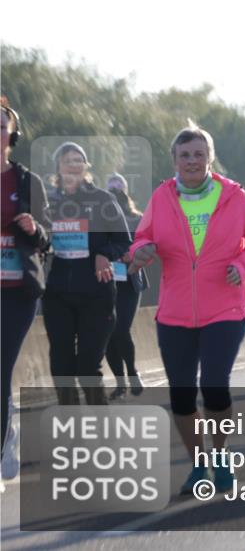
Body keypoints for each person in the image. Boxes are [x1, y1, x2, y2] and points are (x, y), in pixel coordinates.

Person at [129, 123, 245, 495]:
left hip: (226, 306)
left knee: (214, 384)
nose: (192, 160)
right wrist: (140, 252)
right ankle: (198, 464)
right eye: (184, 155)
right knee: (180, 393)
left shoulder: (233, 196)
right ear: (174, 160)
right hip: (174, 310)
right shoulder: (162, 197)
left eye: (198, 154)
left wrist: (241, 267)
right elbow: (142, 237)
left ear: (210, 158)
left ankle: (221, 456)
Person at [43, 142, 131, 406]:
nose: (74, 164)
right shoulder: (49, 202)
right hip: (58, 294)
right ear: (58, 167)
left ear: (85, 167)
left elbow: (125, 243)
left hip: (96, 295)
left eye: (79, 160)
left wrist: (104, 253)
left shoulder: (103, 200)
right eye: (68, 160)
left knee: (87, 368)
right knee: (61, 367)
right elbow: (37, 238)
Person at [1, 98, 50, 481]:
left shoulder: (26, 181)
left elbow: (47, 239)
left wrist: (34, 229)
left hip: (16, 291)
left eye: (2, 124)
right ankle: (8, 430)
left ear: (11, 135)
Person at [105, 173, 148, 399]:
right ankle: (120, 383)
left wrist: (131, 254)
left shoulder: (137, 219)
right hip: (105, 280)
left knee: (121, 329)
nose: (115, 196)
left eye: (118, 191)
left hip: (129, 281)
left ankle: (132, 373)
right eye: (110, 192)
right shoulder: (99, 220)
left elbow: (145, 245)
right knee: (108, 333)